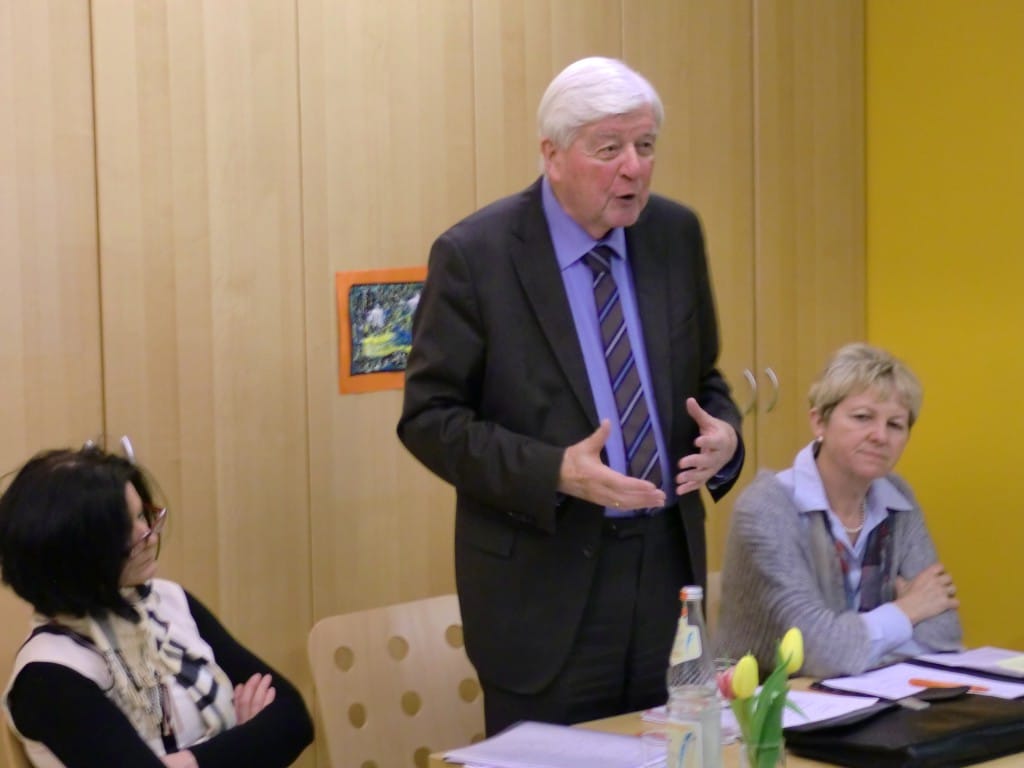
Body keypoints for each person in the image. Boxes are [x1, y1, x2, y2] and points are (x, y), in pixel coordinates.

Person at [397, 56, 744, 734]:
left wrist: (725, 436)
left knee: (671, 749)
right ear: (552, 155)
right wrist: (554, 470)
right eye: (608, 149)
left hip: (665, 576)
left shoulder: (674, 234)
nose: (633, 168)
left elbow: (704, 380)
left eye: (645, 147)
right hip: (542, 587)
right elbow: (430, 419)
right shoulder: (477, 255)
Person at [0, 442, 313, 767]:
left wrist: (184, 762)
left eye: (142, 516)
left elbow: (293, 718)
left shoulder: (166, 600)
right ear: (74, 551)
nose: (148, 534)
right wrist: (246, 736)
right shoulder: (47, 675)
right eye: (125, 530)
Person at [716, 343, 963, 678]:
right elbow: (818, 652)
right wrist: (907, 610)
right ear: (819, 421)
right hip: (767, 712)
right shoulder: (767, 507)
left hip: (874, 702)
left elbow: (944, 633)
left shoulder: (899, 499)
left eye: (895, 424)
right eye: (862, 417)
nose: (880, 436)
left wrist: (852, 645)